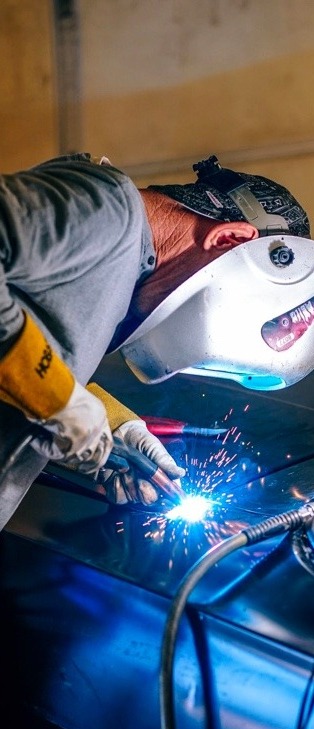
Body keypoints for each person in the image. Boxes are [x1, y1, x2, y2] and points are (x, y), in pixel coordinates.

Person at [0, 152, 310, 525]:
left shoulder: (118, 276)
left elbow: (25, 353)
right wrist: (55, 399)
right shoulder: (105, 209)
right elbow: (35, 374)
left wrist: (114, 425)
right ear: (227, 239)